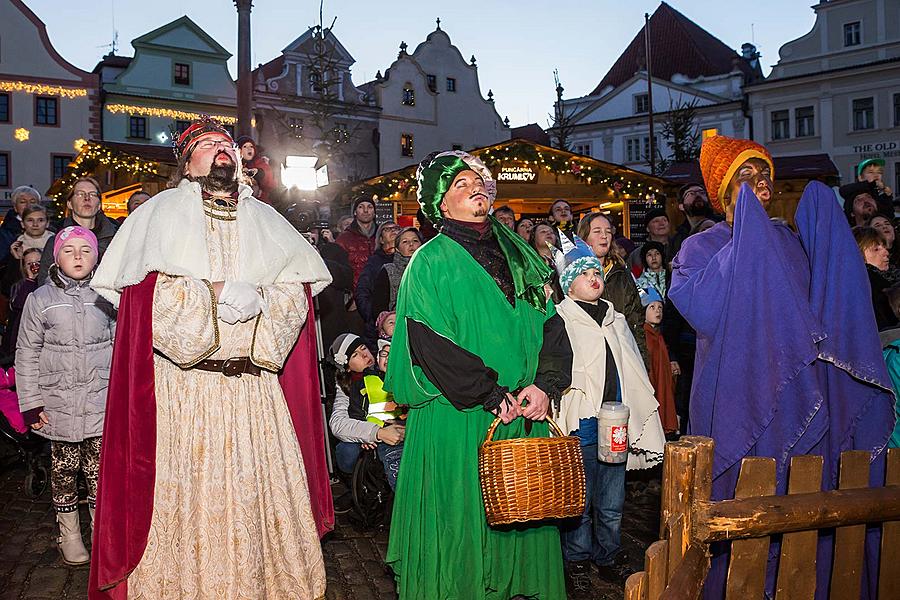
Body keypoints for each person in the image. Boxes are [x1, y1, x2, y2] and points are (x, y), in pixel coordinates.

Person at [88, 117, 332, 599]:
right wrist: (213, 293)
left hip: (254, 393)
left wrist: (264, 299)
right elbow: (142, 299)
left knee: (256, 496)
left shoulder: (267, 219)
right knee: (190, 497)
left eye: (227, 145)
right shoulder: (156, 215)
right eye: (208, 145)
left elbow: (295, 293)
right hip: (186, 391)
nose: (222, 150)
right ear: (186, 162)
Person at [670, 134, 894, 598]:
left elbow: (821, 313)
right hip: (736, 395)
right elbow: (702, 308)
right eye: (746, 175)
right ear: (724, 190)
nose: (762, 182)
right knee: (741, 511)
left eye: (766, 173)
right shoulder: (702, 246)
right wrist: (747, 236)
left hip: (800, 392)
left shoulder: (789, 241)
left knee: (802, 503)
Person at [385, 150, 572, 599]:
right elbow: (429, 343)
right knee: (460, 523)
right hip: (460, 415)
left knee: (523, 509)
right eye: (459, 186)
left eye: (476, 182)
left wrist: (545, 386)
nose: (473, 189)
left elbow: (552, 323)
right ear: (441, 206)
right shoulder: (427, 262)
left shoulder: (522, 253)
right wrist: (489, 393)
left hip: (523, 413)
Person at [551, 235, 664, 595]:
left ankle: (609, 555)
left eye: (596, 271)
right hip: (583, 420)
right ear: (569, 283)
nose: (594, 277)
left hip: (615, 420)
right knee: (579, 497)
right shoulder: (561, 318)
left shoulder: (614, 318)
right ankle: (578, 560)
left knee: (613, 497)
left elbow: (630, 364)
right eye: (584, 274)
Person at [17, 227, 116, 565]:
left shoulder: (108, 297)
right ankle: (70, 533)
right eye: (69, 250)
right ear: (55, 257)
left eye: (85, 250)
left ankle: (101, 530)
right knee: (63, 469)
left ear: (96, 257)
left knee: (99, 471)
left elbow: (121, 347)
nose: (77, 256)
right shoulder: (40, 300)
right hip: (57, 405)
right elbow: (26, 353)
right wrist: (30, 403)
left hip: (100, 402)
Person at [328, 333, 405, 489]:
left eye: (363, 348)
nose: (364, 355)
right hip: (373, 433)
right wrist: (373, 433)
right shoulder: (348, 386)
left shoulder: (388, 365)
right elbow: (337, 424)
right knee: (347, 450)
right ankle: (358, 488)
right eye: (355, 355)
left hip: (400, 426)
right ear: (347, 367)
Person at [577, 212, 649, 366]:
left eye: (608, 231)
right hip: (585, 360)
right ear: (584, 237)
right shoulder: (571, 277)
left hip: (621, 357)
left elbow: (635, 319)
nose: (604, 236)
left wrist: (642, 363)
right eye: (597, 231)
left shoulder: (621, 273)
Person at [38, 177, 118, 285]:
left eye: (93, 194)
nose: (87, 198)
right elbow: (45, 283)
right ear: (69, 204)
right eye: (80, 194)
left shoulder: (117, 238)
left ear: (99, 205)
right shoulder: (57, 240)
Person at [640, 287, 678, 435]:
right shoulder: (645, 337)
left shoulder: (659, 336)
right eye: (652, 307)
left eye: (660, 307)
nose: (658, 311)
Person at [355, 221, 400, 343]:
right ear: (380, 239)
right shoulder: (375, 262)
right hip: (380, 329)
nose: (393, 231)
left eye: (396, 228)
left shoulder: (408, 259)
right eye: (387, 229)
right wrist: (374, 316)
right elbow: (362, 290)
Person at [853, 226, 897, 330]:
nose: (886, 253)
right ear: (857, 255)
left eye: (884, 247)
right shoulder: (866, 286)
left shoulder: (891, 276)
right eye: (876, 249)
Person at [0, 247, 41, 357]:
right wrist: (31, 279)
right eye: (29, 264)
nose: (34, 266)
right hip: (17, 341)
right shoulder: (19, 286)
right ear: (24, 267)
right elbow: (19, 304)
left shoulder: (51, 286)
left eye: (38, 262)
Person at [372, 227, 422, 316]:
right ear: (397, 248)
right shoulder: (389, 270)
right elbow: (379, 306)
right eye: (405, 242)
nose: (411, 244)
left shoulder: (430, 268)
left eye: (415, 241)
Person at [336, 196, 378, 290]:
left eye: (370, 207)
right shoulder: (344, 239)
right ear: (355, 212)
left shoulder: (382, 236)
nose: (366, 210)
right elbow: (339, 271)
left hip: (381, 293)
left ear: (374, 212)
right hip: (355, 294)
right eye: (361, 207)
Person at [669, 183, 716, 260]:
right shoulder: (678, 239)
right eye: (691, 193)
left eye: (702, 193)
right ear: (681, 206)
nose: (698, 195)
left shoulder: (723, 225)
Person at [0, 186, 41, 262]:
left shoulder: (50, 229)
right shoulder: (5, 233)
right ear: (15, 207)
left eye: (32, 202)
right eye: (23, 202)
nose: (28, 205)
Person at [627, 207, 671, 273]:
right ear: (647, 228)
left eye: (664, 220)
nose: (662, 224)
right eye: (656, 221)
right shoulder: (637, 255)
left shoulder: (680, 249)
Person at [235, 135, 276, 203]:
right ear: (239, 150)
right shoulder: (235, 163)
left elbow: (267, 176)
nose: (249, 149)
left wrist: (258, 172)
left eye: (251, 146)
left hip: (260, 201)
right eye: (245, 146)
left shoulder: (260, 162)